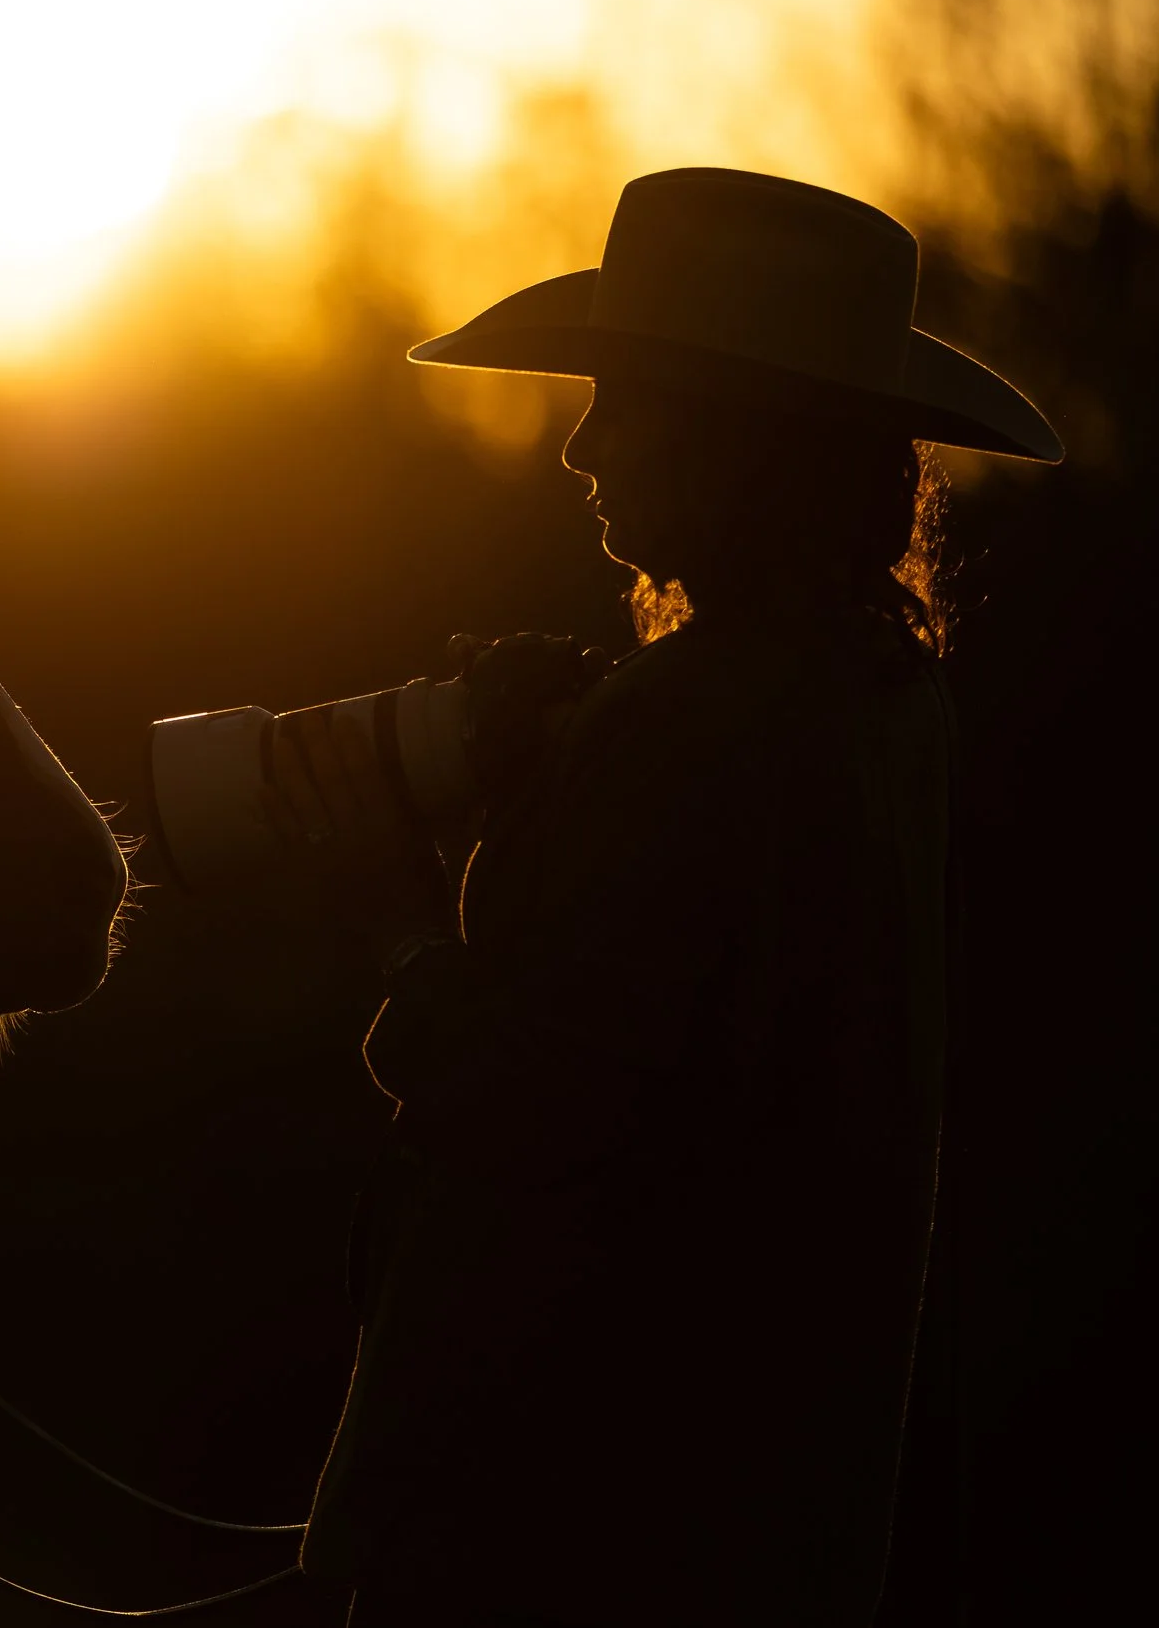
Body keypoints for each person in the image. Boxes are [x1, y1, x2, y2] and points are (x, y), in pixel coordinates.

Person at [265, 169, 1062, 1627]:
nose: (582, 445)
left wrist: (392, 913)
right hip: (760, 1522)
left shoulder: (696, 714)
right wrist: (551, 783)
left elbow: (536, 1104)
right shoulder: (884, 701)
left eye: (626, 401)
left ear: (741, 437)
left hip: (569, 1524)